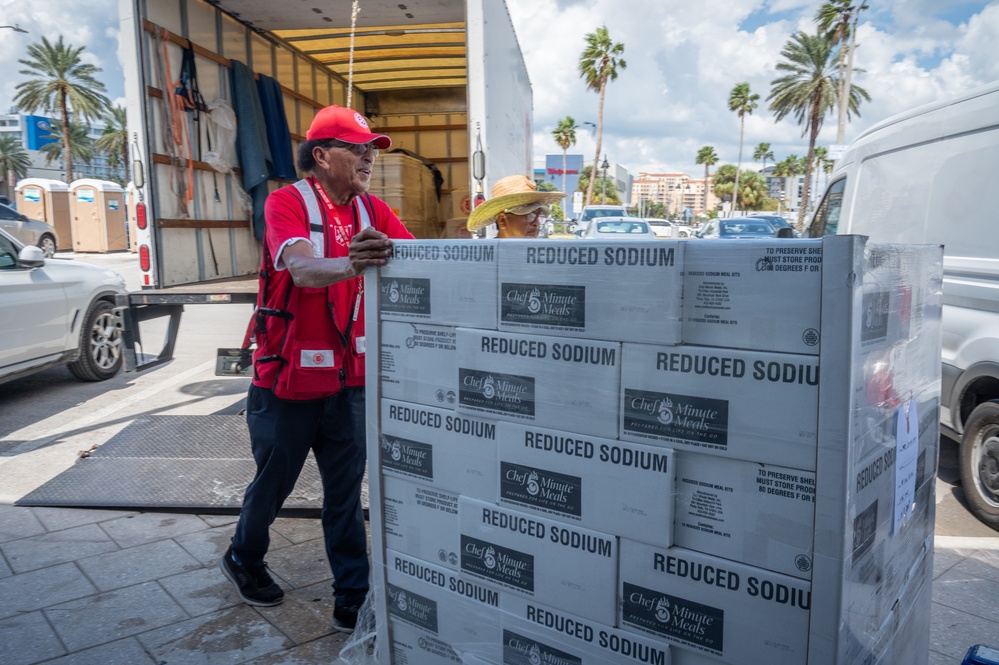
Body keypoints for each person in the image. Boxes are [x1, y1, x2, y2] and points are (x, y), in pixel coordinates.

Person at [220, 105, 413, 634]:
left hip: (350, 378)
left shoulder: (373, 209)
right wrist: (353, 263)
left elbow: (420, 259)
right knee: (274, 482)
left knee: (346, 491)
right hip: (287, 380)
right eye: (359, 148)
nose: (370, 157)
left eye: (373, 148)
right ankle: (244, 556)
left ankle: (352, 594)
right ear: (323, 155)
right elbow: (302, 267)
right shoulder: (287, 203)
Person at [466, 174, 564, 238]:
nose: (537, 223)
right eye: (530, 216)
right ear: (502, 221)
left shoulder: (538, 258)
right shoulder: (487, 258)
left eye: (540, 217)